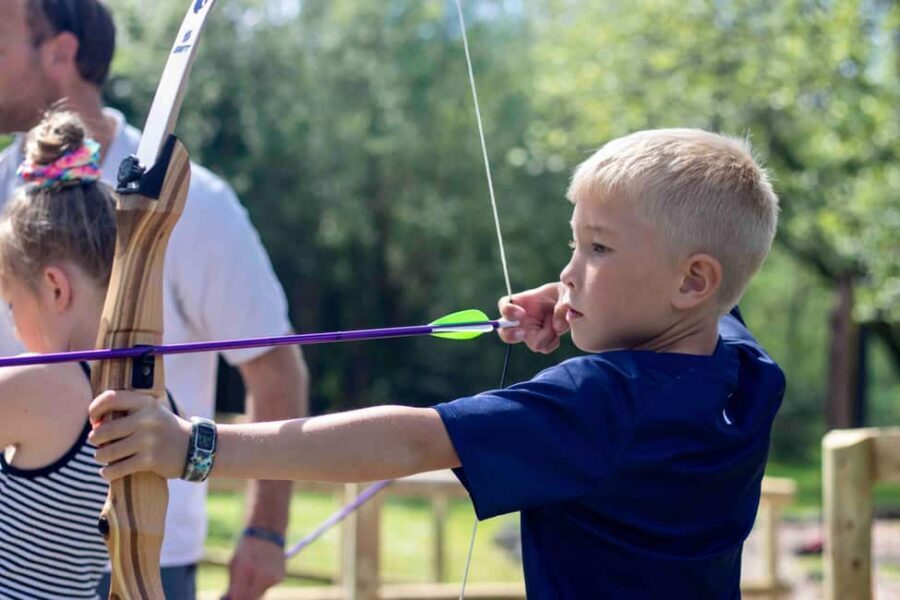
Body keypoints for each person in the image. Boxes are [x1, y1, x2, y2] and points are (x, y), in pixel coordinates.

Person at [90, 128, 786, 598]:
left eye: (598, 249)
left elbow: (409, 437)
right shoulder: (745, 370)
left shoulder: (602, 399)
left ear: (692, 281)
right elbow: (714, 311)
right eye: (571, 247)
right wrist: (583, 295)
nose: (569, 272)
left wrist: (194, 447)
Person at [0, 1, 308, 598]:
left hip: (153, 555)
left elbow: (275, 368)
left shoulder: (193, 201)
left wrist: (265, 532)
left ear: (59, 52)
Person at [0, 111, 133, 598]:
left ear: (55, 288)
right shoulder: (149, 393)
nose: (12, 322)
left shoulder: (43, 384)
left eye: (12, 302)